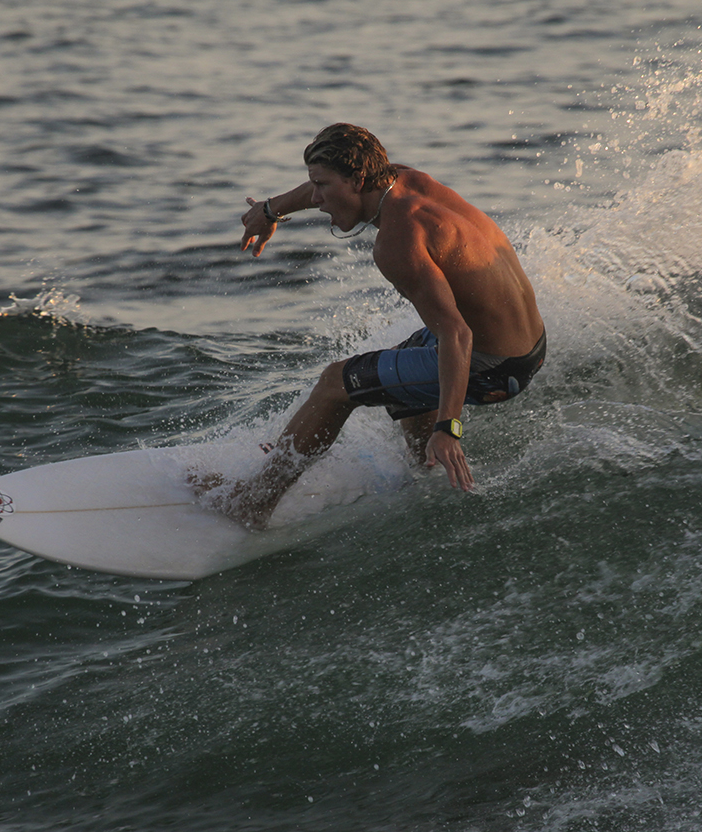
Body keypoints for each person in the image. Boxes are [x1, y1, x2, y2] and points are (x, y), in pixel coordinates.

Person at [197, 123, 546, 529]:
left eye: (322, 186)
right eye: (314, 184)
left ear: (358, 179)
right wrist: (270, 209)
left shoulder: (398, 242)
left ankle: (254, 502)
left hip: (494, 366)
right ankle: (428, 472)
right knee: (402, 369)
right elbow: (322, 186)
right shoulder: (405, 180)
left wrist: (449, 427)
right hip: (529, 344)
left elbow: (457, 335)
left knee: (335, 384)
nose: (316, 199)